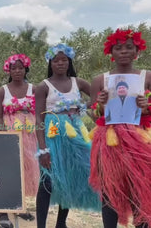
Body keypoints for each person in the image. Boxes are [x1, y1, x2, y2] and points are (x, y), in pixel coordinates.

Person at [89, 28, 151, 228]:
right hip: (110, 140)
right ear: (111, 52)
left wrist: (146, 108)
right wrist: (99, 105)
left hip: (140, 140)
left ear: (137, 51)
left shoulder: (149, 77)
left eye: (129, 47)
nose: (123, 51)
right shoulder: (101, 80)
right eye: (118, 48)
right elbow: (93, 115)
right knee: (110, 189)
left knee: (140, 186)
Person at [34, 44, 100, 228]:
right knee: (47, 179)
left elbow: (97, 96)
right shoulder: (43, 86)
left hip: (75, 132)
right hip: (53, 133)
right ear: (51, 63)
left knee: (69, 175)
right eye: (56, 60)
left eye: (64, 60)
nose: (61, 63)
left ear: (69, 61)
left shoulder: (78, 82)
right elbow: (38, 119)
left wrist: (85, 106)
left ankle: (61, 223)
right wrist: (43, 149)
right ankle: (41, 225)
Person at [0, 54, 37, 228]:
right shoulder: (2, 90)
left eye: (20, 67)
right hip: (9, 132)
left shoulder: (34, 88)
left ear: (26, 68)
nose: (17, 71)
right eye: (13, 68)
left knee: (25, 169)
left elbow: (40, 110)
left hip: (29, 134)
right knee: (8, 170)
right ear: (8, 70)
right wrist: (2, 131)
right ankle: (2, 211)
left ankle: (20, 207)